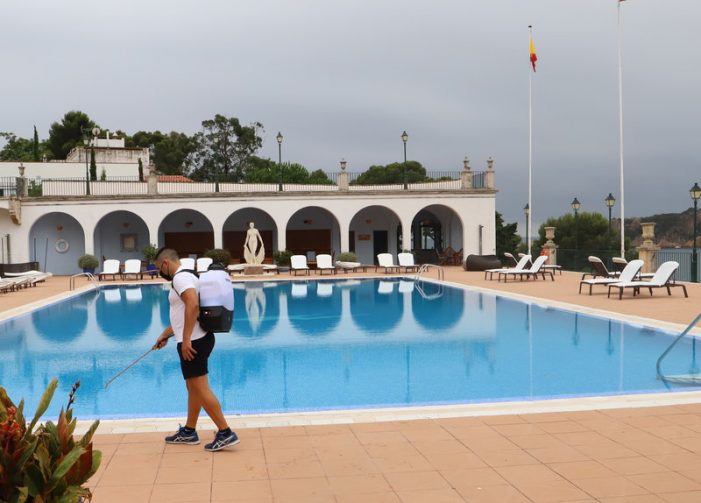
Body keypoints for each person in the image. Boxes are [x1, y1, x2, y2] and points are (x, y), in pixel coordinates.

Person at [152, 247, 239, 451]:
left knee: (200, 389)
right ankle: (189, 431)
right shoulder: (189, 276)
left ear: (165, 263)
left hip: (194, 342)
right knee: (193, 388)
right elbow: (185, 314)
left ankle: (225, 432)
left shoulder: (180, 279)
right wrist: (166, 334)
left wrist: (186, 339)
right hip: (199, 338)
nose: (160, 272)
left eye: (158, 268)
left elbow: (192, 306)